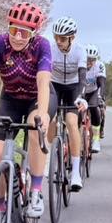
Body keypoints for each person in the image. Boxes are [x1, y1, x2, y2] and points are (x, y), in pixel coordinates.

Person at [0, 2, 57, 218]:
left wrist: (43, 113)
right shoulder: (0, 43)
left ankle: (36, 191)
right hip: (11, 99)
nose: (18, 37)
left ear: (34, 34)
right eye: (14, 30)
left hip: (37, 98)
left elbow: (43, 81)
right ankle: (0, 207)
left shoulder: (42, 46)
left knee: (35, 129)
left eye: (25, 33)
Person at [47, 16, 88, 191]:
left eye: (62, 38)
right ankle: (50, 157)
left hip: (73, 86)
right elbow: (44, 73)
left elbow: (83, 77)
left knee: (71, 122)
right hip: (54, 85)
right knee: (49, 118)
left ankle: (76, 172)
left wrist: (80, 96)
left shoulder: (80, 51)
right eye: (56, 37)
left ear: (72, 37)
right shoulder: (50, 49)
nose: (58, 41)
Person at [84, 44, 106, 153]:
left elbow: (101, 82)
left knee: (94, 107)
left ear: (96, 59)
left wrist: (100, 96)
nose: (89, 61)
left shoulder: (99, 66)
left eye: (92, 59)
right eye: (87, 59)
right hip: (82, 91)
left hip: (94, 91)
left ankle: (96, 139)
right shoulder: (79, 64)